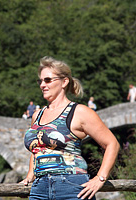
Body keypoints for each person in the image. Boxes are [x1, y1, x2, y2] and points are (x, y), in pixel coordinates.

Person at [20, 56, 119, 200]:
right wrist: (30, 176)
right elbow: (38, 148)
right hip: (39, 188)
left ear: (64, 82)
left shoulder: (79, 112)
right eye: (40, 81)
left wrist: (100, 178)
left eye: (47, 80)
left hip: (72, 187)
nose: (42, 85)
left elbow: (112, 144)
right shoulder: (37, 115)